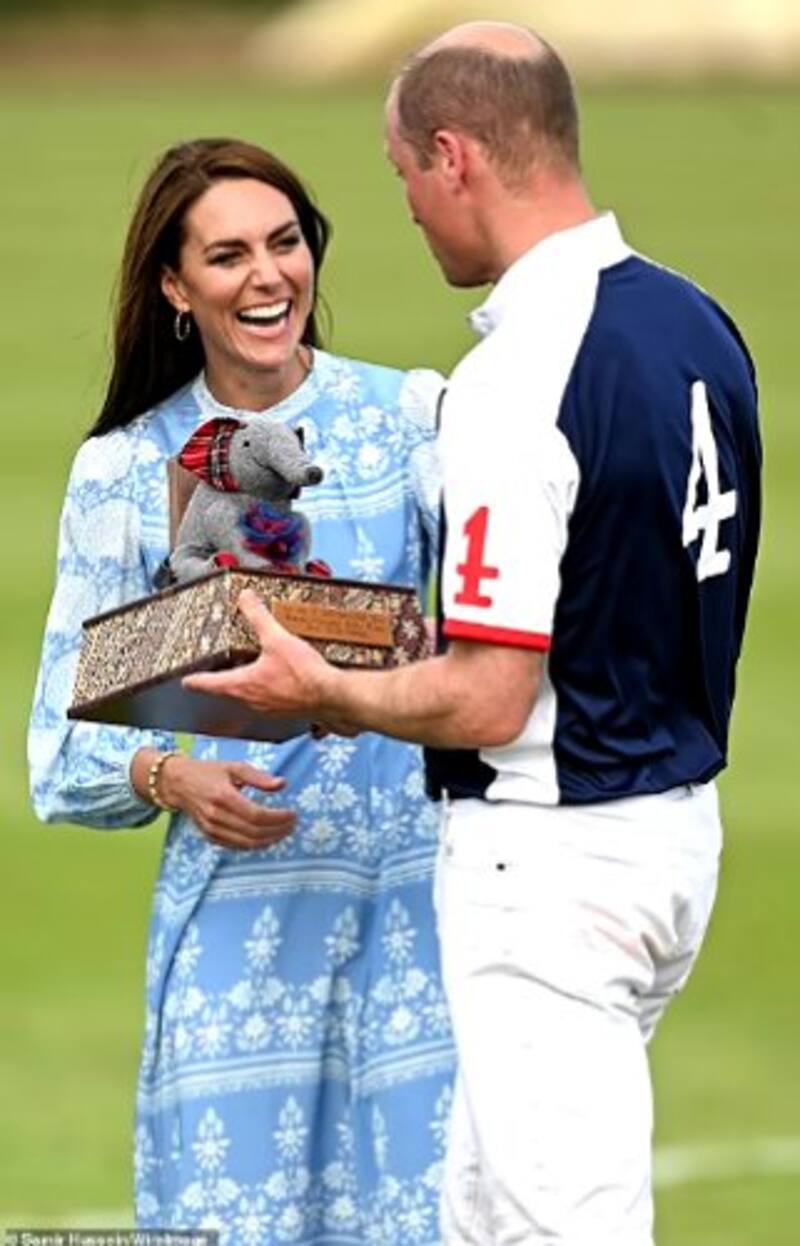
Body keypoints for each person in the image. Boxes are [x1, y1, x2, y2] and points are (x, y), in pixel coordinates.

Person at [187, 24, 762, 1246]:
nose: (406, 211)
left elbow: (491, 698)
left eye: (402, 177)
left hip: (554, 867)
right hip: (669, 837)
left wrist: (316, 688)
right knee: (485, 1218)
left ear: (453, 156)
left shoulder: (520, 381)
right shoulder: (693, 322)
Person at [28, 137, 455, 1240]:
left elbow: (491, 661)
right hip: (238, 936)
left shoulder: (414, 420)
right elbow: (57, 745)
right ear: (176, 287)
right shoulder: (123, 471)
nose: (267, 276)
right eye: (226, 256)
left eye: (284, 243)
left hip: (417, 922)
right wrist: (172, 774)